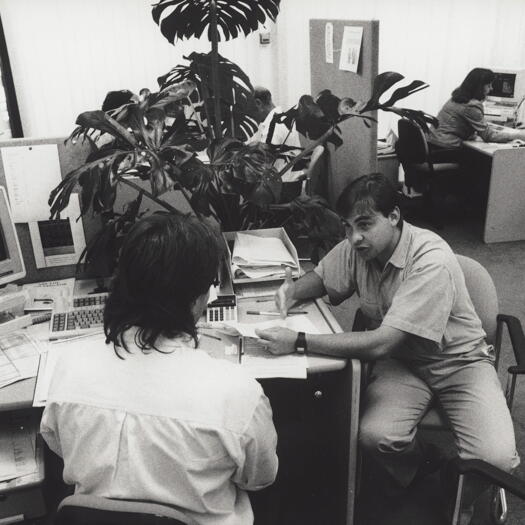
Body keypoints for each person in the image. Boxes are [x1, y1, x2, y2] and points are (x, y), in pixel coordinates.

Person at [255, 173, 518, 522]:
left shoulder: (430, 259)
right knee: (376, 436)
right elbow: (321, 277)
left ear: (394, 216)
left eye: (364, 225)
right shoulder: (359, 247)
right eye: (347, 227)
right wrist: (292, 292)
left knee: (495, 459)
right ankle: (425, 463)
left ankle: (453, 499)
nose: (354, 237)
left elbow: (381, 343)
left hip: (459, 361)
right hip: (404, 363)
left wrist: (299, 341)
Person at [40, 213, 278, 525]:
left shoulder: (68, 366)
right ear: (197, 298)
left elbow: (56, 443)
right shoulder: (238, 393)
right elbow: (259, 478)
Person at [428, 67, 525, 150]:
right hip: (445, 148)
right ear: (479, 87)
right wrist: (518, 135)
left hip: (433, 143)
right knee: (482, 158)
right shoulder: (472, 105)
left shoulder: (458, 97)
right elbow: (489, 136)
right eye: (488, 85)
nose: (491, 89)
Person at [248, 86, 305, 182]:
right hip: (294, 181)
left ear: (258, 103)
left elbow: (263, 163)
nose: (250, 116)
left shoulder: (273, 125)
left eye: (249, 110)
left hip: (283, 186)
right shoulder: (283, 118)